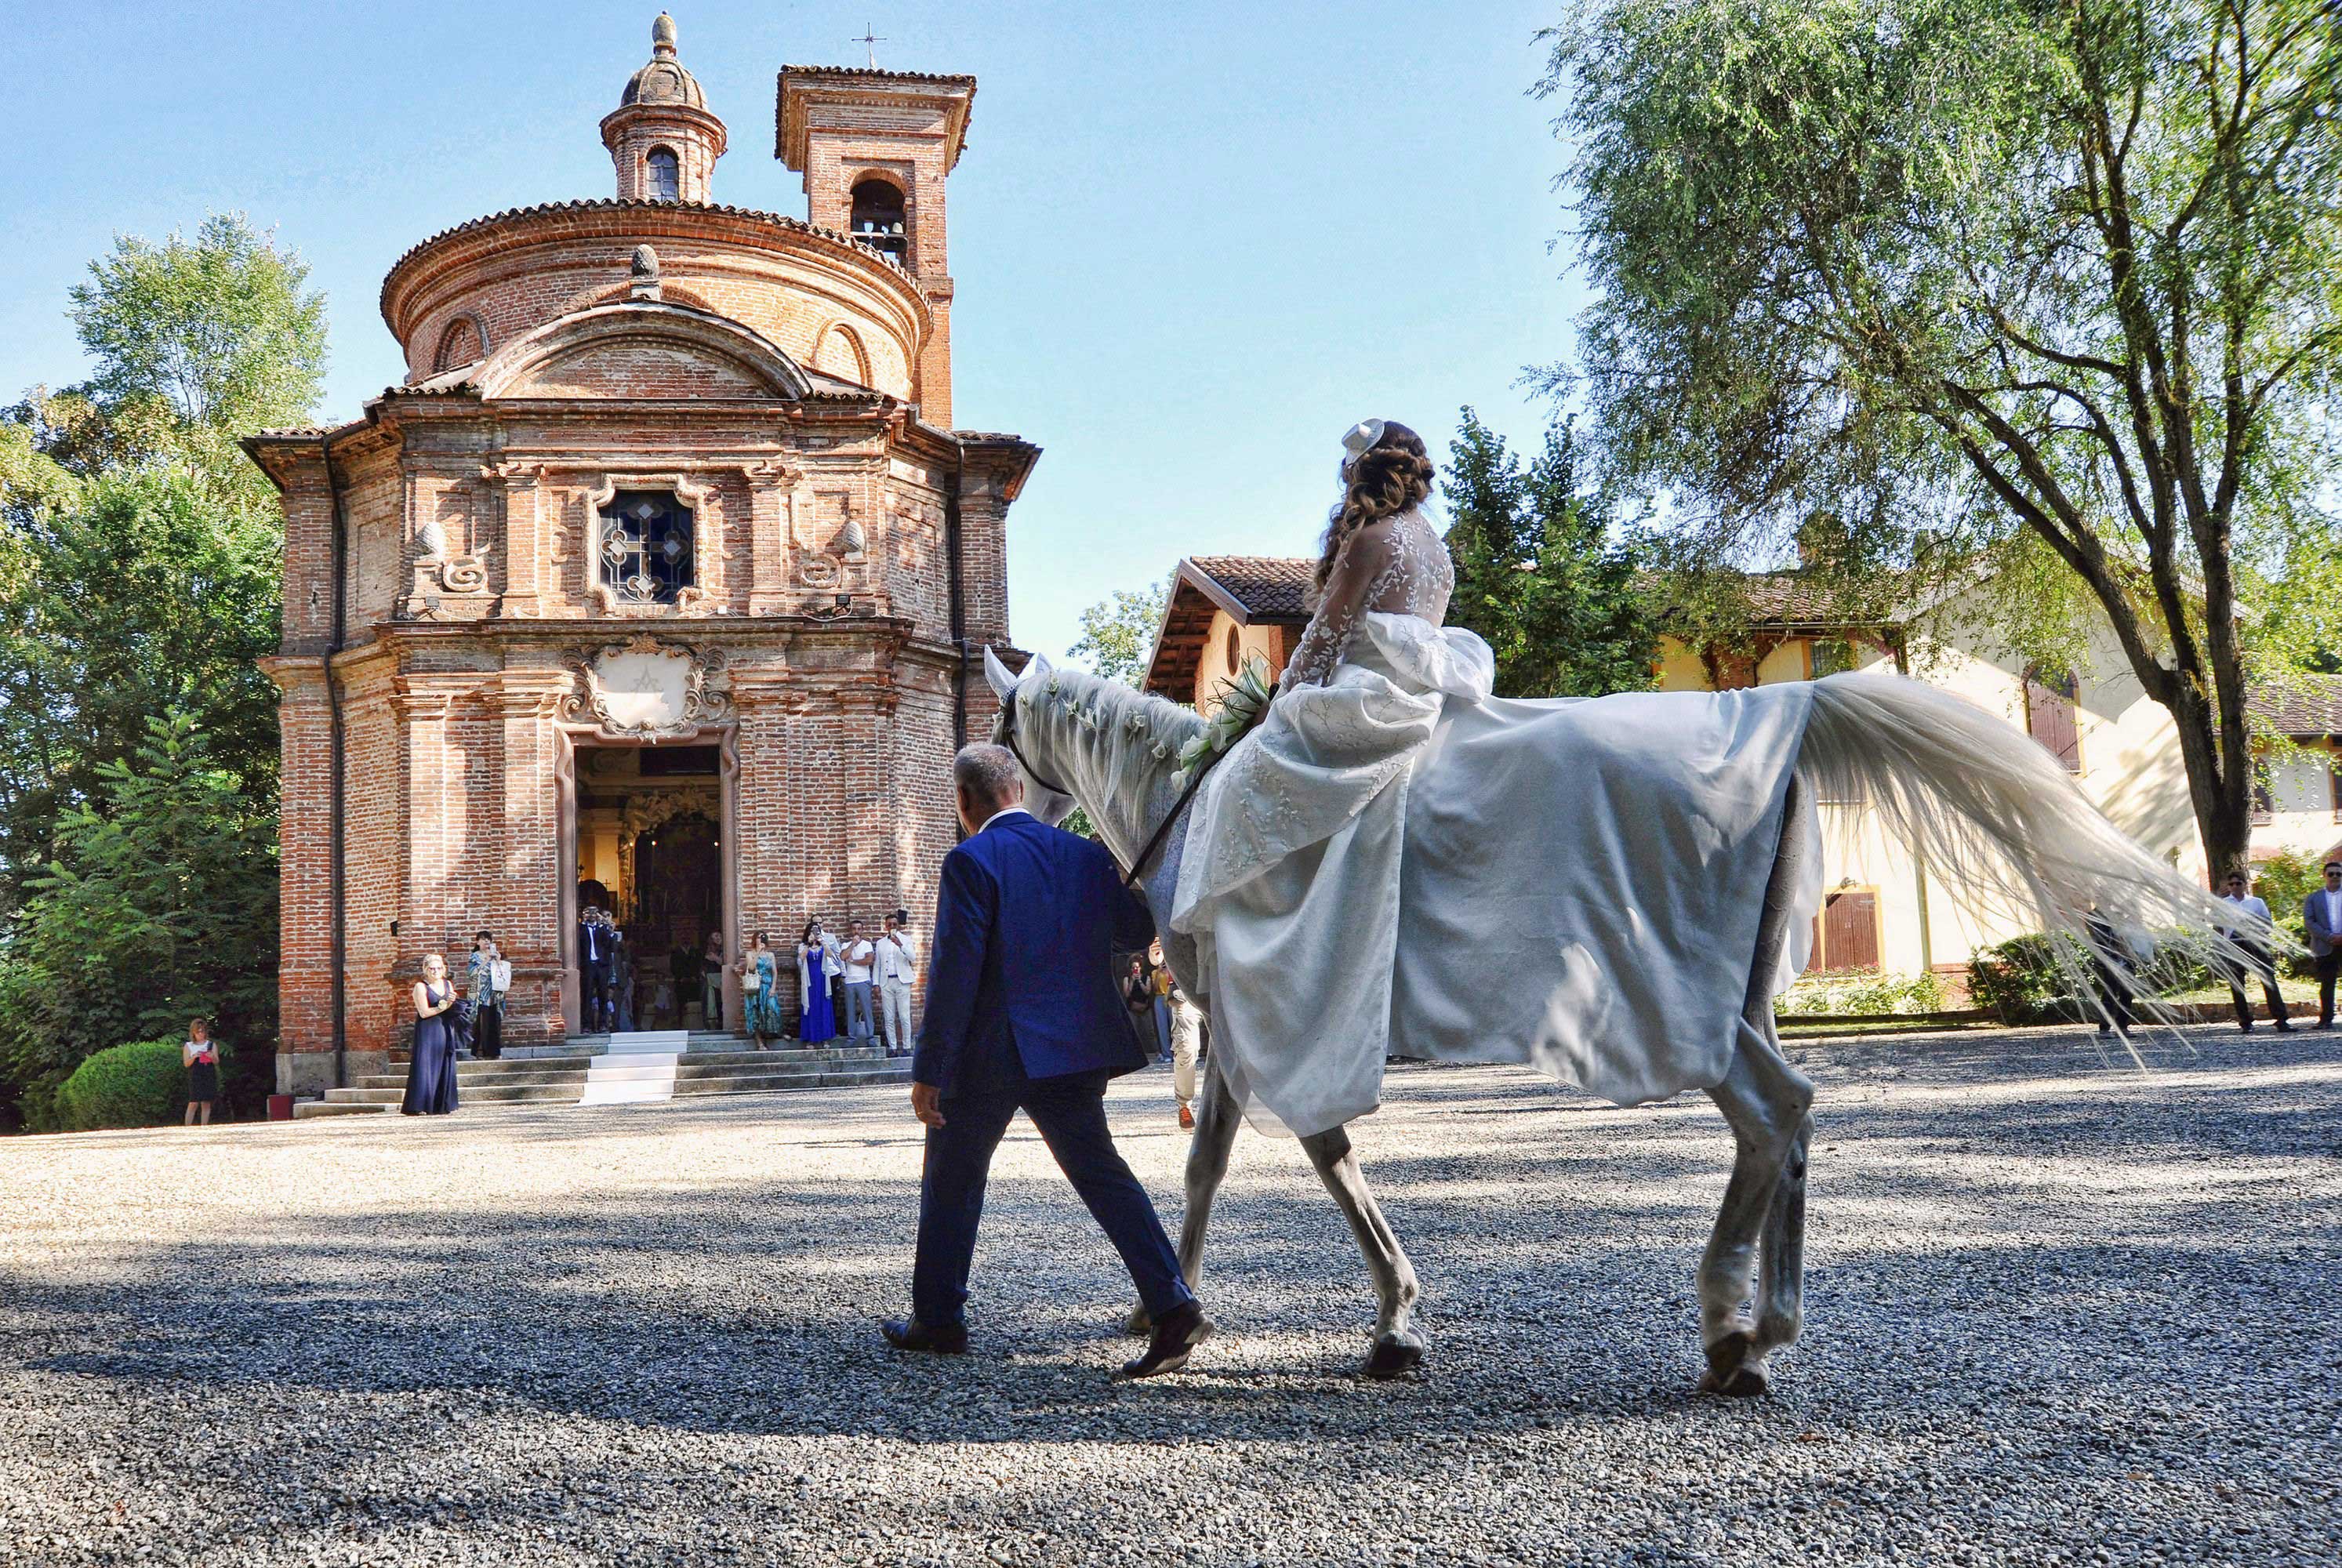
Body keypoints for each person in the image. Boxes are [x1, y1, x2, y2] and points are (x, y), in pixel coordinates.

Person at [1167, 419, 1493, 1137]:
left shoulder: (1369, 541)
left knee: (1239, 780)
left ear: (1361, 475)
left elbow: (1322, 640)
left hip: (1364, 692)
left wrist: (1271, 710)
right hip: (1416, 693)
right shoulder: (1433, 546)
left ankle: (1266, 939)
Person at [884, 744, 1208, 1379]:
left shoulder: (970, 860)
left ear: (965, 802)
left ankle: (940, 1320)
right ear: (1020, 793)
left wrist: (930, 1068)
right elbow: (1129, 931)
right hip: (1071, 1046)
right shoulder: (1085, 855)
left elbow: (956, 970)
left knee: (952, 1179)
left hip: (989, 1050)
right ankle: (1172, 1303)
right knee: (1103, 1176)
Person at [2217, 869, 2292, 1033]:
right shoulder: (2223, 903)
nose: (2235, 887)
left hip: (2256, 944)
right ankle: (2245, 1021)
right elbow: (2216, 924)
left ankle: (2281, 1019)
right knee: (2237, 984)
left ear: (2245, 884)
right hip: (2235, 944)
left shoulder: (2256, 902)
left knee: (2268, 980)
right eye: (2232, 884)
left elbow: (2267, 923)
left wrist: (2255, 932)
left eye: (2238, 883)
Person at [402, 953, 461, 1116]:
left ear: (444, 969)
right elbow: (424, 1012)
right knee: (425, 1065)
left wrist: (454, 1003)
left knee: (444, 1063)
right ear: (425, 969)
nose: (435, 971)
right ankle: (420, 1104)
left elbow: (451, 1006)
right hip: (428, 1030)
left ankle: (442, 1104)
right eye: (432, 968)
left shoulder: (448, 984)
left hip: (445, 1028)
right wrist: (445, 1006)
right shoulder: (421, 987)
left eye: (439, 968)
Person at [2304, 860, 2342, 1029]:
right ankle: (2326, 1019)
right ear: (2324, 876)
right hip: (2324, 945)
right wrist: (2329, 936)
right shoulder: (2314, 897)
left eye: (2338, 874)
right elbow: (2309, 921)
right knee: (2327, 983)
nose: (2335, 877)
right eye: (2331, 874)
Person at [876, 910, 919, 1057]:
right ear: (886, 926)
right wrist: (876, 984)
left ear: (898, 925)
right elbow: (878, 965)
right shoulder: (881, 943)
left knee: (904, 1016)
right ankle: (893, 1047)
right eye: (889, 925)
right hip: (886, 982)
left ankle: (906, 1047)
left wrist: (900, 945)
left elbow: (913, 958)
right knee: (889, 1017)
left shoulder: (906, 940)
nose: (892, 926)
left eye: (895, 924)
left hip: (903, 981)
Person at [798, 918, 840, 1044]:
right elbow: (801, 958)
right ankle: (811, 1039)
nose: (814, 933)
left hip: (822, 980)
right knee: (811, 1007)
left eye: (817, 931)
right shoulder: (803, 946)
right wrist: (808, 943)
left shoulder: (823, 944)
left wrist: (822, 941)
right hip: (810, 980)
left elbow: (830, 954)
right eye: (812, 931)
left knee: (824, 1007)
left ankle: (825, 1038)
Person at [740, 931, 784, 1048]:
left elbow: (774, 972)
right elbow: (751, 968)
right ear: (755, 939)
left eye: (763, 937)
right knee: (755, 1014)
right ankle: (759, 1042)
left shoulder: (770, 955)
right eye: (759, 937)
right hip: (755, 988)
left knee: (772, 1009)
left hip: (768, 986)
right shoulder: (750, 954)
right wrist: (758, 952)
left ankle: (777, 1034)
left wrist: (773, 987)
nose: (761, 939)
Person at [466, 931, 505, 1060]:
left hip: (494, 993)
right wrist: (486, 960)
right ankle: (479, 1052)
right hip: (480, 994)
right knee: (481, 1023)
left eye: (488, 939)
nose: (486, 942)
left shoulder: (496, 955)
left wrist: (498, 960)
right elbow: (472, 974)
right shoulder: (474, 957)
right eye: (483, 939)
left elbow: (502, 973)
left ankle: (494, 1052)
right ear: (477, 942)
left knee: (494, 1021)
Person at [840, 917, 878, 1044]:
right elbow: (843, 957)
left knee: (867, 1009)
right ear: (851, 931)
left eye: (859, 929)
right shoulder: (846, 945)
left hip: (864, 981)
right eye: (854, 929)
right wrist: (853, 944)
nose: (856, 931)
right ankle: (851, 1037)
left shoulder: (867, 944)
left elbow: (869, 961)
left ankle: (870, 1036)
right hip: (850, 982)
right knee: (850, 1011)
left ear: (862, 930)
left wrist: (853, 961)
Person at [578, 907, 614, 1033]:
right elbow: (579, 942)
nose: (592, 915)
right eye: (589, 913)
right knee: (587, 995)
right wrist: (583, 921)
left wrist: (603, 923)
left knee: (603, 996)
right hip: (588, 966)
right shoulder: (581, 928)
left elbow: (609, 945)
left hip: (601, 966)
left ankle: (603, 1024)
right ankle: (587, 1025)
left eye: (594, 913)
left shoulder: (602, 929)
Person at [183, 1017, 220, 1127]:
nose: (200, 1034)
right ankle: (187, 1127)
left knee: (206, 1102)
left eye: (202, 1031)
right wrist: (194, 1057)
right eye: (198, 1032)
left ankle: (204, 1126)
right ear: (193, 1033)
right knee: (193, 1102)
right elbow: (186, 1064)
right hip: (195, 1074)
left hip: (208, 1073)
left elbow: (216, 1061)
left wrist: (212, 1056)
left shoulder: (211, 1044)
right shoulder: (189, 1046)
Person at [701, 931, 727, 1032]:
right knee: (709, 1001)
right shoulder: (708, 951)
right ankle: (709, 1024)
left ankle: (722, 1023)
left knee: (720, 1002)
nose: (718, 938)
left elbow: (724, 962)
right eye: (715, 936)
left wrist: (716, 958)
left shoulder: (725, 950)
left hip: (721, 979)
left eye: (719, 935)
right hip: (709, 980)